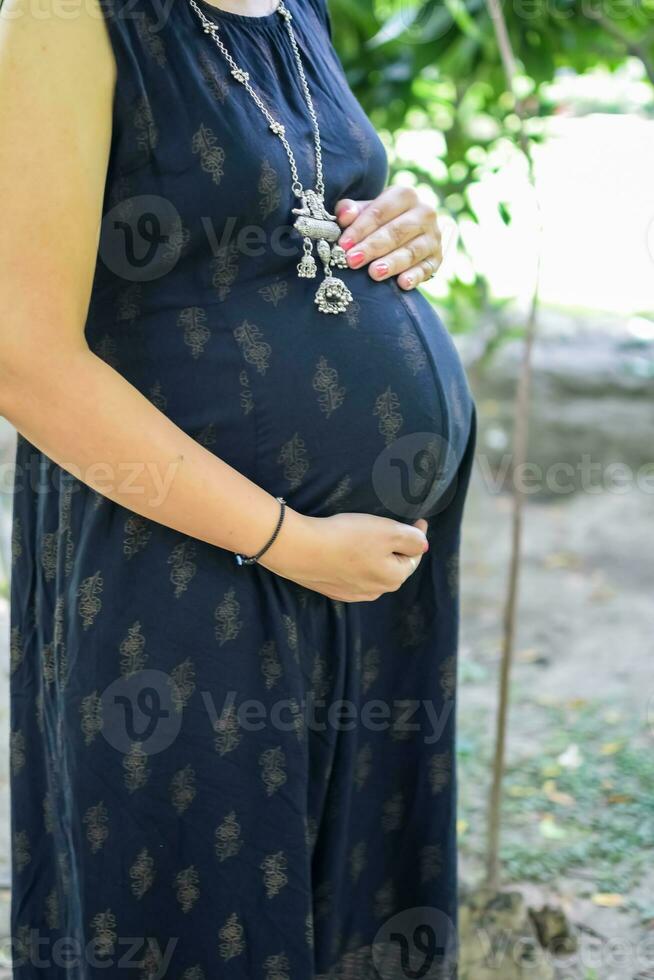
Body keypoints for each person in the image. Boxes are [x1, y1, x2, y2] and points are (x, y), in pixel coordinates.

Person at [1, 0, 476, 975]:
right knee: (192, 915)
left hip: (363, 589)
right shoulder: (69, 14)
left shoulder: (299, 8)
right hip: (177, 567)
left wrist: (409, 221)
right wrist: (287, 538)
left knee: (350, 905)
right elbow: (21, 355)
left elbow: (274, 220)